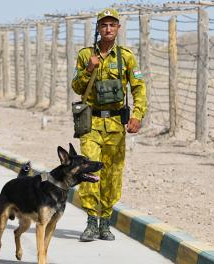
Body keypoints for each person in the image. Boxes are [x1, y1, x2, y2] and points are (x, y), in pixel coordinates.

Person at [72, 8, 147, 242]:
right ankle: (91, 222)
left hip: (116, 123)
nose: (107, 29)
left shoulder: (126, 57)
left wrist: (137, 115)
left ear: (118, 28)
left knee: (113, 174)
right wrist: (89, 69)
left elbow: (138, 87)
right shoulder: (86, 55)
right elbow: (76, 86)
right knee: (89, 169)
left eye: (112, 25)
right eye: (103, 25)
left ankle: (105, 222)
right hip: (91, 122)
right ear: (98, 28)